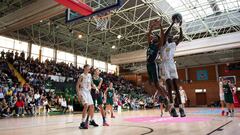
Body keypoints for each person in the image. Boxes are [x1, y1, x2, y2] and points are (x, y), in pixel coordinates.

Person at [162, 20, 185, 117]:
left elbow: (181, 37)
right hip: (165, 65)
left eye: (172, 36)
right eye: (169, 36)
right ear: (167, 38)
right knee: (169, 87)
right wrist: (171, 24)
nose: (171, 37)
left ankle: (181, 108)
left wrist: (180, 27)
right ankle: (172, 109)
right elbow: (165, 34)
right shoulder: (163, 44)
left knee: (176, 87)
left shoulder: (174, 44)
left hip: (172, 65)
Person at [146, 18, 168, 101]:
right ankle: (165, 95)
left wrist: (160, 26)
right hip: (148, 64)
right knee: (153, 84)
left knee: (156, 84)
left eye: (155, 36)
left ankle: (166, 97)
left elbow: (163, 37)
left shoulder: (158, 45)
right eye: (153, 36)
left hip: (153, 64)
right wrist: (151, 26)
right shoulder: (150, 44)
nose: (153, 37)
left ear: (158, 39)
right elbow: (148, 35)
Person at [76, 64, 99, 129]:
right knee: (86, 105)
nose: (89, 69)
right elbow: (77, 85)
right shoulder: (82, 76)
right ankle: (82, 122)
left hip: (88, 92)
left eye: (89, 68)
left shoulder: (89, 75)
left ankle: (91, 120)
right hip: (82, 91)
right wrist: (78, 94)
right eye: (88, 68)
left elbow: (92, 83)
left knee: (92, 106)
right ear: (85, 68)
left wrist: (96, 88)